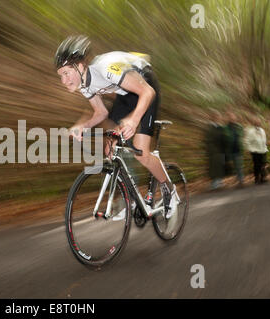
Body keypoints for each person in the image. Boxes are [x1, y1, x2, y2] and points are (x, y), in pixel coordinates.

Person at [54, 35, 176, 217]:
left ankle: (169, 189)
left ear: (80, 66)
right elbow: (101, 112)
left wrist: (134, 120)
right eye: (60, 75)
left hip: (146, 87)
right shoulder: (84, 85)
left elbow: (147, 92)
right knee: (110, 147)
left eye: (66, 73)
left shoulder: (106, 68)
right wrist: (83, 126)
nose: (64, 81)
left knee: (141, 152)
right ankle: (131, 200)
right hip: (125, 93)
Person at [205, 109, 227, 190]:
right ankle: (214, 184)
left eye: (219, 116)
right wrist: (213, 150)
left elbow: (224, 138)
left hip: (221, 150)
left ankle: (220, 182)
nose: (218, 117)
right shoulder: (210, 127)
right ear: (213, 117)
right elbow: (208, 140)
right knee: (214, 167)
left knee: (220, 166)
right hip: (213, 151)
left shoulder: (220, 127)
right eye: (216, 116)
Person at [243, 116, 268, 184]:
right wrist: (250, 149)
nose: (258, 122)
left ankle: (263, 178)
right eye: (257, 121)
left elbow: (264, 140)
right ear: (254, 123)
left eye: (259, 121)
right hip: (255, 151)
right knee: (257, 166)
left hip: (263, 150)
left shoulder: (262, 130)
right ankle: (257, 179)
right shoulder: (251, 131)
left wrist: (265, 147)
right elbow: (246, 141)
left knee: (263, 165)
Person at [224, 110, 244, 186]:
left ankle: (241, 181)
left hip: (238, 149)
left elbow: (242, 135)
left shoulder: (239, 126)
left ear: (235, 118)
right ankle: (238, 179)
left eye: (233, 117)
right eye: (230, 117)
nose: (232, 118)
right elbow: (225, 138)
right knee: (235, 167)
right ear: (228, 118)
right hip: (230, 150)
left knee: (239, 166)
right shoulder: (226, 127)